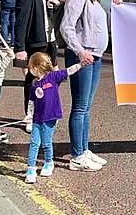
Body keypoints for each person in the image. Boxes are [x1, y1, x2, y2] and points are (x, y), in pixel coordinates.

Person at [60, 0, 121, 171]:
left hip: (95, 56)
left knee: (86, 107)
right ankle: (77, 155)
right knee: (79, 106)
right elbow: (67, 27)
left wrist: (115, 5)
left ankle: (83, 149)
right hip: (83, 56)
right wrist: (79, 51)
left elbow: (103, 15)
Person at [24, 52, 88, 183]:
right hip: (37, 118)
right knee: (34, 143)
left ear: (36, 67)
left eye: (30, 67)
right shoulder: (34, 85)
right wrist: (29, 115)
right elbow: (31, 102)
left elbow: (68, 71)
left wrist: (81, 65)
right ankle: (31, 168)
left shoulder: (53, 77)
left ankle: (49, 162)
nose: (29, 69)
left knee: (46, 143)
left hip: (50, 117)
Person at [13, 0, 49, 133]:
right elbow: (21, 21)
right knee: (32, 80)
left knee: (40, 80)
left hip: (42, 40)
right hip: (34, 42)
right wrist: (19, 48)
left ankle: (38, 114)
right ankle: (30, 115)